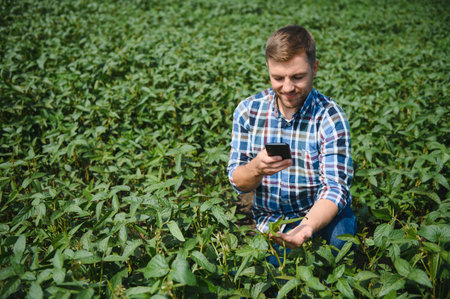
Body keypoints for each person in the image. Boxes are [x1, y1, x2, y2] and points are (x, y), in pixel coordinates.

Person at [227, 25, 356, 257]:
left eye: (297, 77)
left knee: (340, 244)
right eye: (278, 78)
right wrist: (255, 168)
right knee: (273, 269)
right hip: (273, 219)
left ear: (314, 68)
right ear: (268, 69)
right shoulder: (248, 111)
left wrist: (305, 228)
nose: (287, 88)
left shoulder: (329, 116)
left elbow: (334, 188)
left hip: (322, 211)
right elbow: (238, 181)